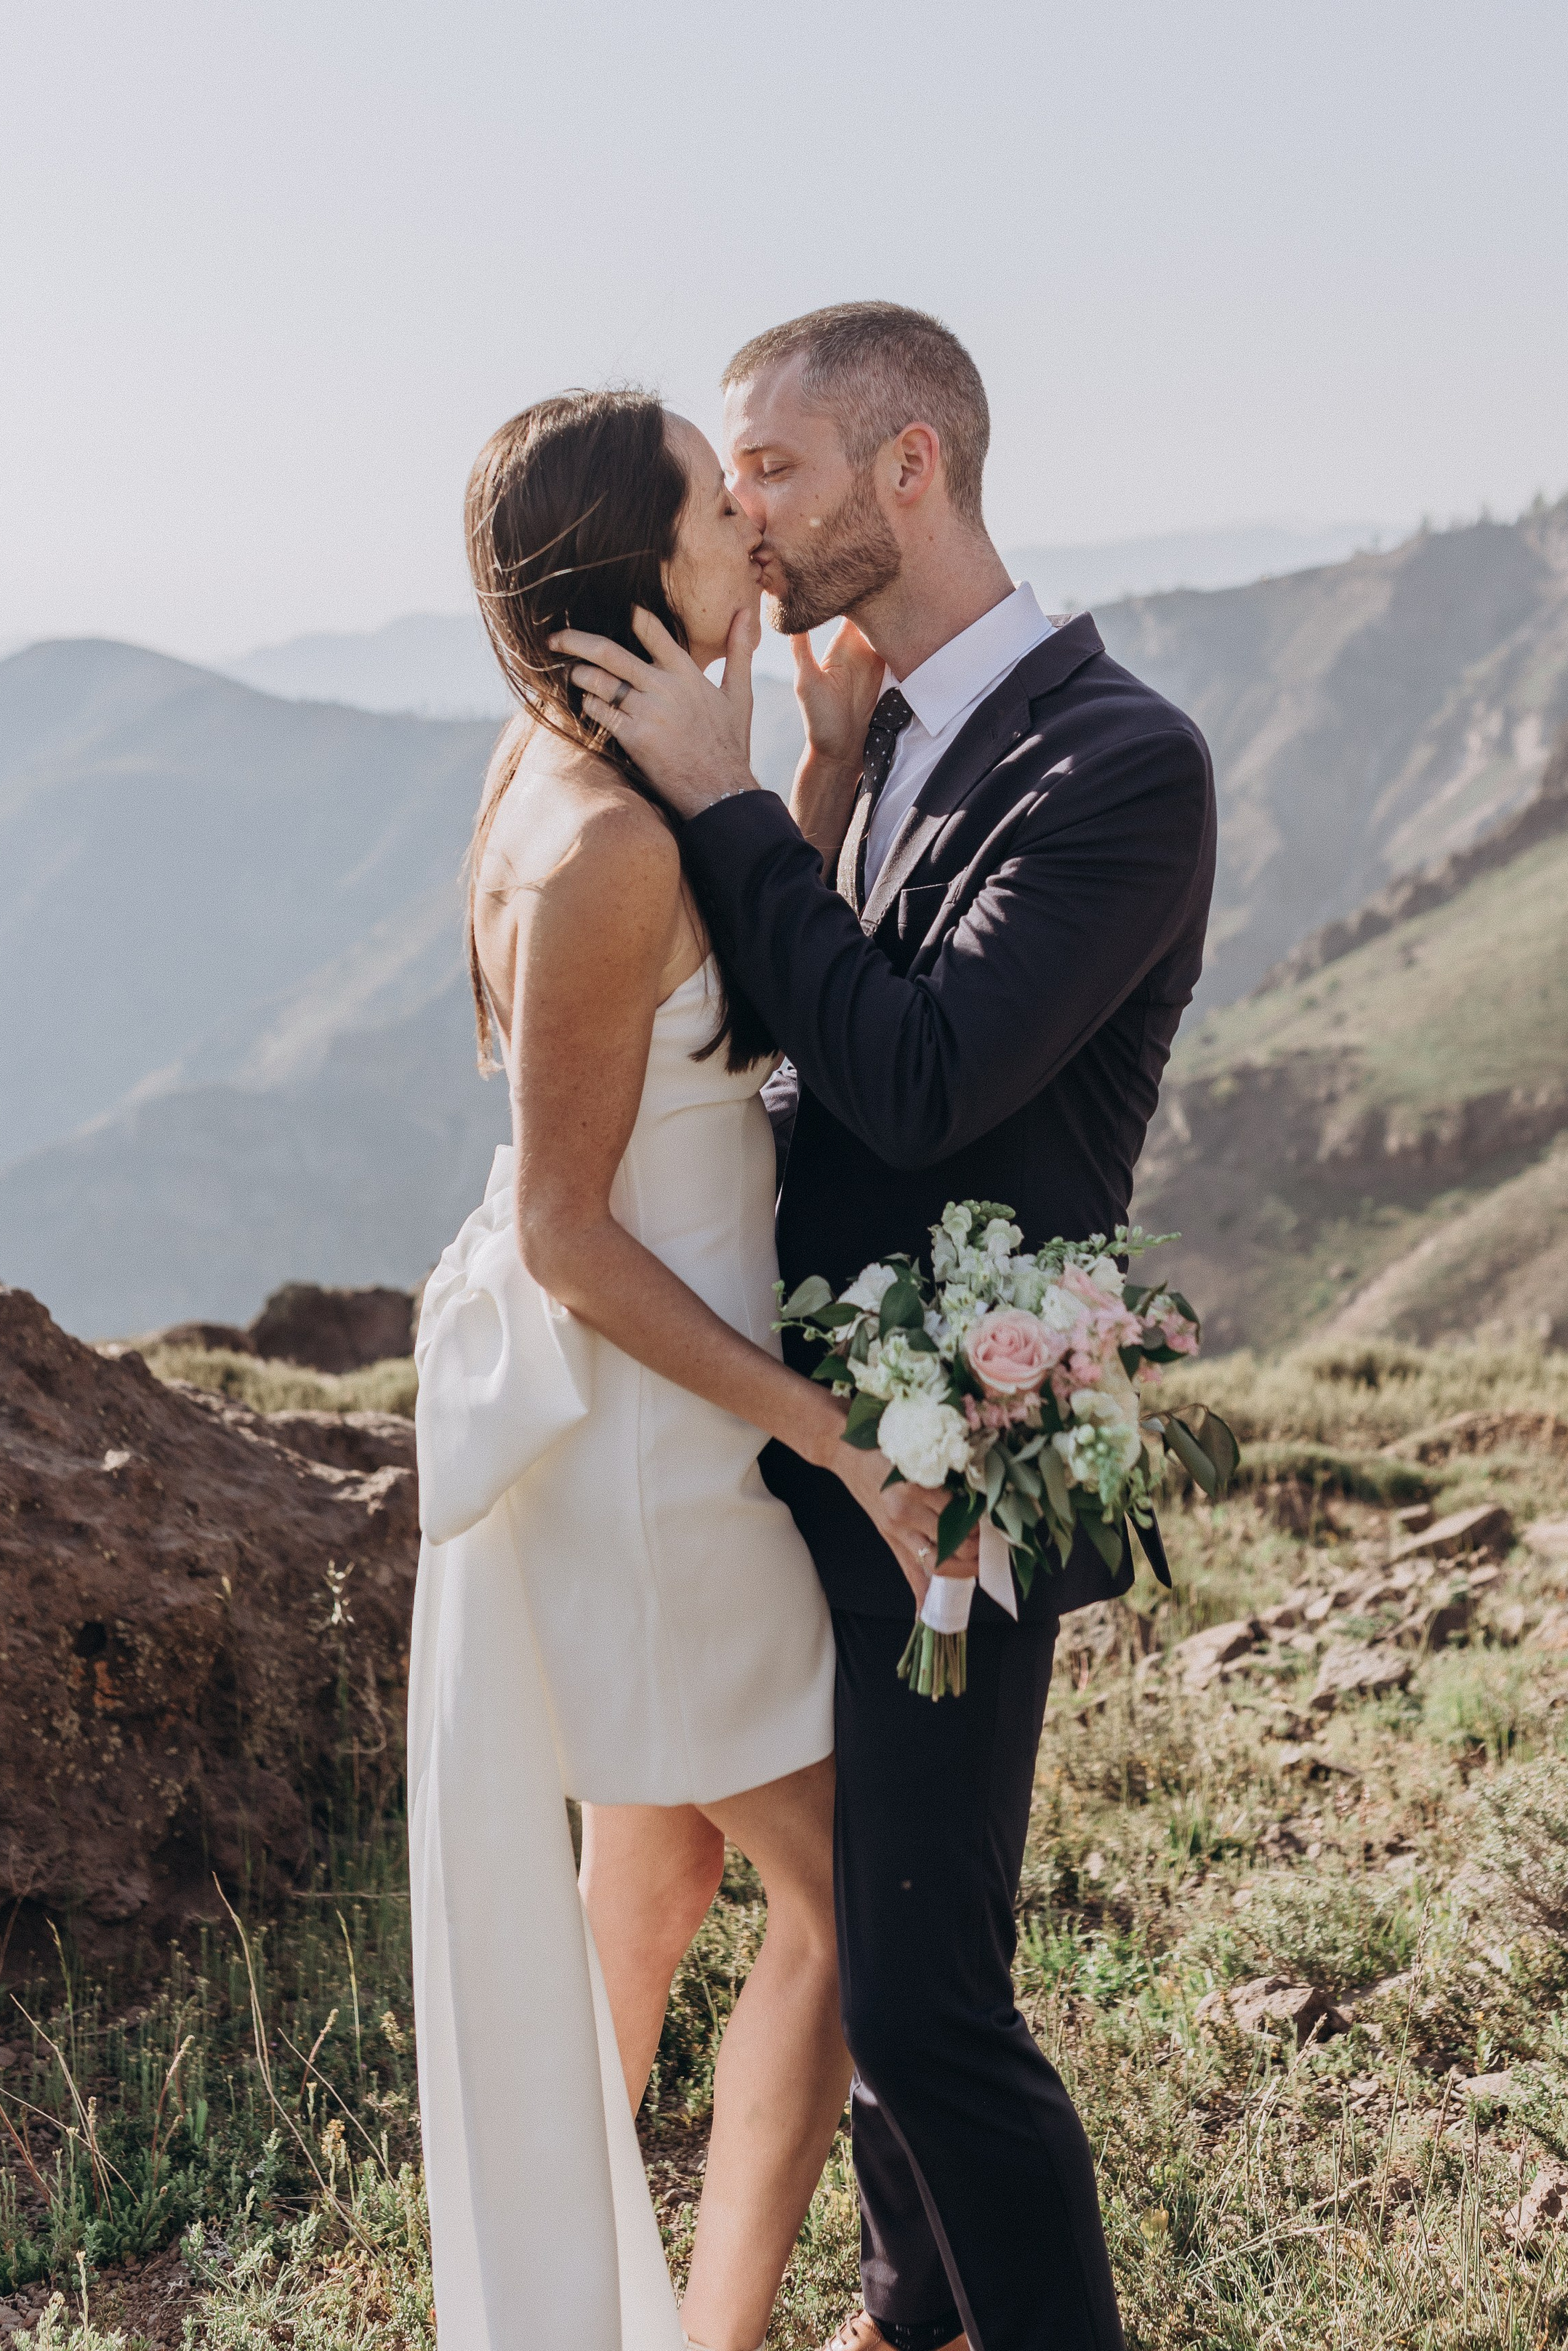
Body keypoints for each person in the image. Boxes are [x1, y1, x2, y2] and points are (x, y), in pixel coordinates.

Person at [556, 302, 1218, 2351]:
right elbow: (797, 1045)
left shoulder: (1119, 766)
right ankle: (904, 2309)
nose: (744, 513)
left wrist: (724, 799)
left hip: (958, 1470)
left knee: (930, 2004)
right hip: (812, 1437)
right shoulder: (898, 733)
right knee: (870, 1949)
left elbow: (920, 1079)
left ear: (906, 468)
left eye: (772, 466)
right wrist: (814, 784)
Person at [406, 389, 952, 2351]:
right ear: (650, 570)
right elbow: (569, 1223)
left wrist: (805, 778)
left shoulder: (580, 769)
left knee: (649, 1871)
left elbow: (711, 1024)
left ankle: (568, 2307)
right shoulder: (602, 843)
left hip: (663, 1428)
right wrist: (816, 1423)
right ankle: (711, 2332)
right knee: (847, 1903)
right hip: (664, 1458)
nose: (753, 530)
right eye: (722, 511)